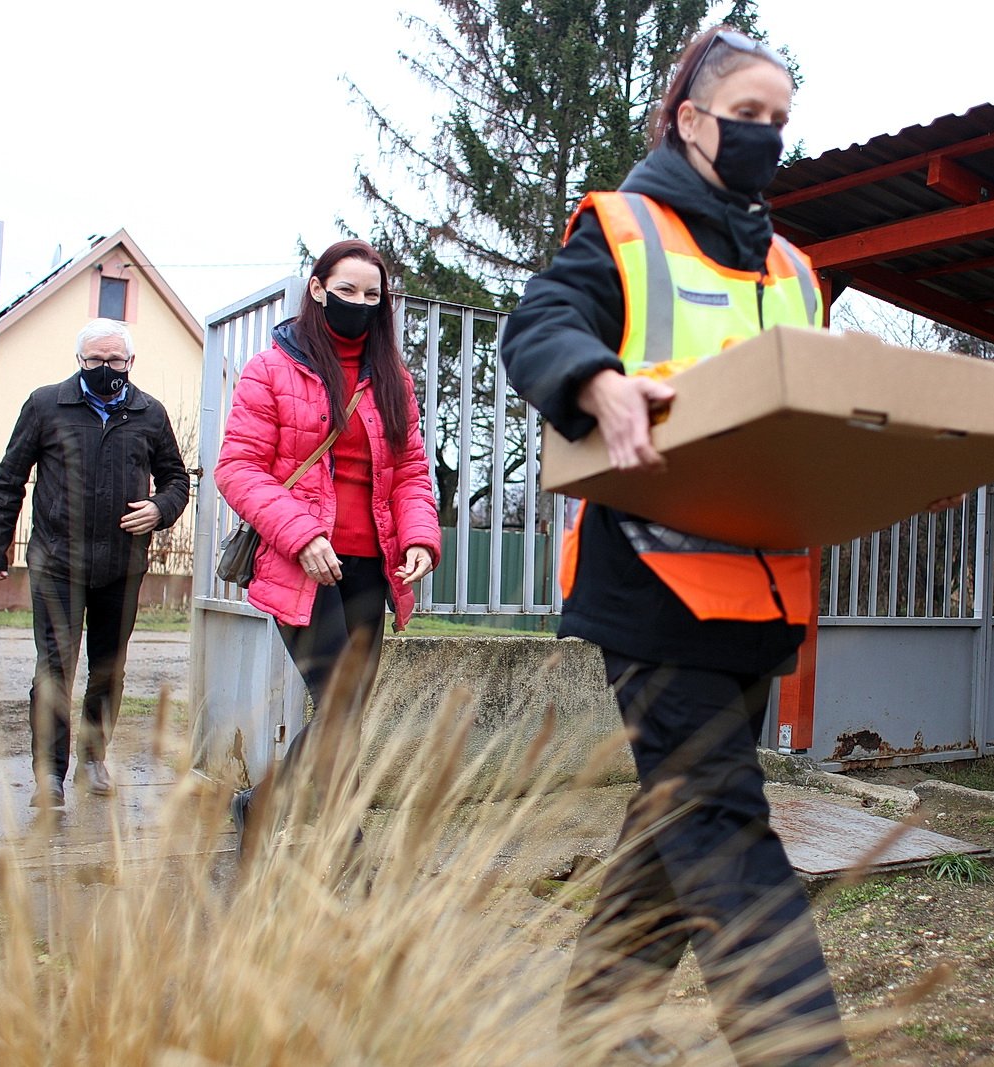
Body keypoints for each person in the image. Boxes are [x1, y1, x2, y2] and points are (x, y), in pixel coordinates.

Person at [500, 25, 853, 1066]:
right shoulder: (623, 229)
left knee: (675, 816)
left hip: (760, 589)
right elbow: (539, 326)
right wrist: (597, 380)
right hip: (649, 582)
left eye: (780, 123)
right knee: (723, 821)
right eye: (748, 117)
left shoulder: (794, 267)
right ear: (691, 120)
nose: (766, 138)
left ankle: (595, 1029)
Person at [214, 240, 439, 857]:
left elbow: (413, 473)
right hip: (303, 564)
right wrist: (301, 533)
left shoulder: (393, 379)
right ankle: (347, 844)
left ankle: (258, 808)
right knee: (338, 698)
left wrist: (420, 538)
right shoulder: (272, 369)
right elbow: (238, 468)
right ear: (317, 289)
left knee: (347, 710)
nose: (360, 304)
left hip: (372, 567)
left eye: (373, 295)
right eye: (347, 291)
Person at [0, 317, 190, 808]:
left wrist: (161, 509)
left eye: (114, 361)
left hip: (121, 566)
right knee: (54, 669)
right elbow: (9, 479)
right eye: (95, 360)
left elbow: (177, 480)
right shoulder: (45, 405)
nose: (105, 369)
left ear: (130, 363)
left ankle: (93, 759)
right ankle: (49, 775)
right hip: (57, 562)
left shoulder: (150, 414)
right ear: (79, 361)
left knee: (108, 669)